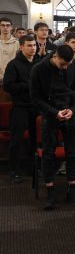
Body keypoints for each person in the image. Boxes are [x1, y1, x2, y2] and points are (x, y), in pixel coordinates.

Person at [31, 44, 75, 210]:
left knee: (72, 153)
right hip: (50, 114)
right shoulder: (39, 69)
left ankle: (72, 190)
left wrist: (73, 110)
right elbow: (36, 98)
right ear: (55, 56)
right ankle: (50, 192)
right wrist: (54, 112)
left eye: (68, 64)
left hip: (71, 114)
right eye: (62, 64)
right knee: (48, 154)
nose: (66, 67)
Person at [4, 35, 38, 182]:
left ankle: (33, 168)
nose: (33, 48)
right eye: (29, 45)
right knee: (16, 140)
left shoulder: (39, 63)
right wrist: (29, 87)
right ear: (21, 47)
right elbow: (8, 86)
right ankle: (15, 171)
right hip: (20, 107)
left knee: (35, 139)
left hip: (36, 107)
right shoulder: (13, 64)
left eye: (34, 45)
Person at [0, 17, 19, 85]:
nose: (5, 27)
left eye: (7, 25)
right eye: (2, 25)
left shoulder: (17, 43)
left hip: (12, 78)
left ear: (11, 27)